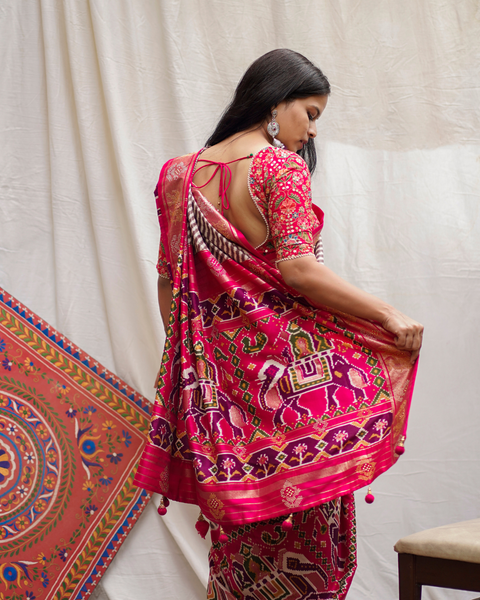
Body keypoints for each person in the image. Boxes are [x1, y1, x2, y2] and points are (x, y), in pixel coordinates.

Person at [134, 49, 423, 599]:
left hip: (220, 404)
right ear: (276, 103)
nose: (311, 132)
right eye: (310, 114)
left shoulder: (178, 175)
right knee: (313, 550)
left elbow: (169, 282)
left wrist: (193, 360)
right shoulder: (276, 167)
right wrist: (388, 314)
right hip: (294, 393)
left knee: (237, 551)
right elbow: (299, 270)